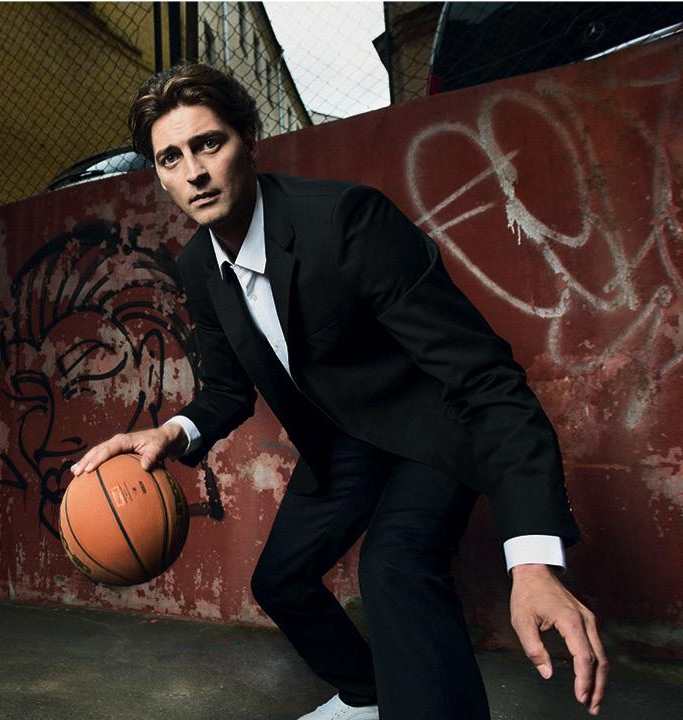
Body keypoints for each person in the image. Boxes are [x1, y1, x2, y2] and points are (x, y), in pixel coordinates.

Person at [71, 64, 607, 720]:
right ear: (159, 175)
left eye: (209, 143)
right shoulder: (199, 267)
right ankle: (368, 696)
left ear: (248, 141)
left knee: (394, 569)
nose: (195, 172)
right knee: (279, 581)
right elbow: (227, 391)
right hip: (344, 443)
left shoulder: (346, 221)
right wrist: (169, 432)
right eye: (171, 157)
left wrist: (532, 559)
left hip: (427, 428)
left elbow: (485, 377)